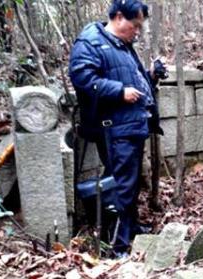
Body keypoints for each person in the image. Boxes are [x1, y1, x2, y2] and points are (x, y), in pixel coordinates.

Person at [69, 0, 163, 257]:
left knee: (129, 185)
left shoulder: (121, 45)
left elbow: (130, 78)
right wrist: (119, 92)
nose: (137, 32)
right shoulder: (90, 42)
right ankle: (117, 246)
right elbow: (82, 78)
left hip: (130, 125)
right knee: (120, 185)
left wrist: (151, 75)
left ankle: (130, 229)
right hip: (113, 128)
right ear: (119, 17)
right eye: (135, 25)